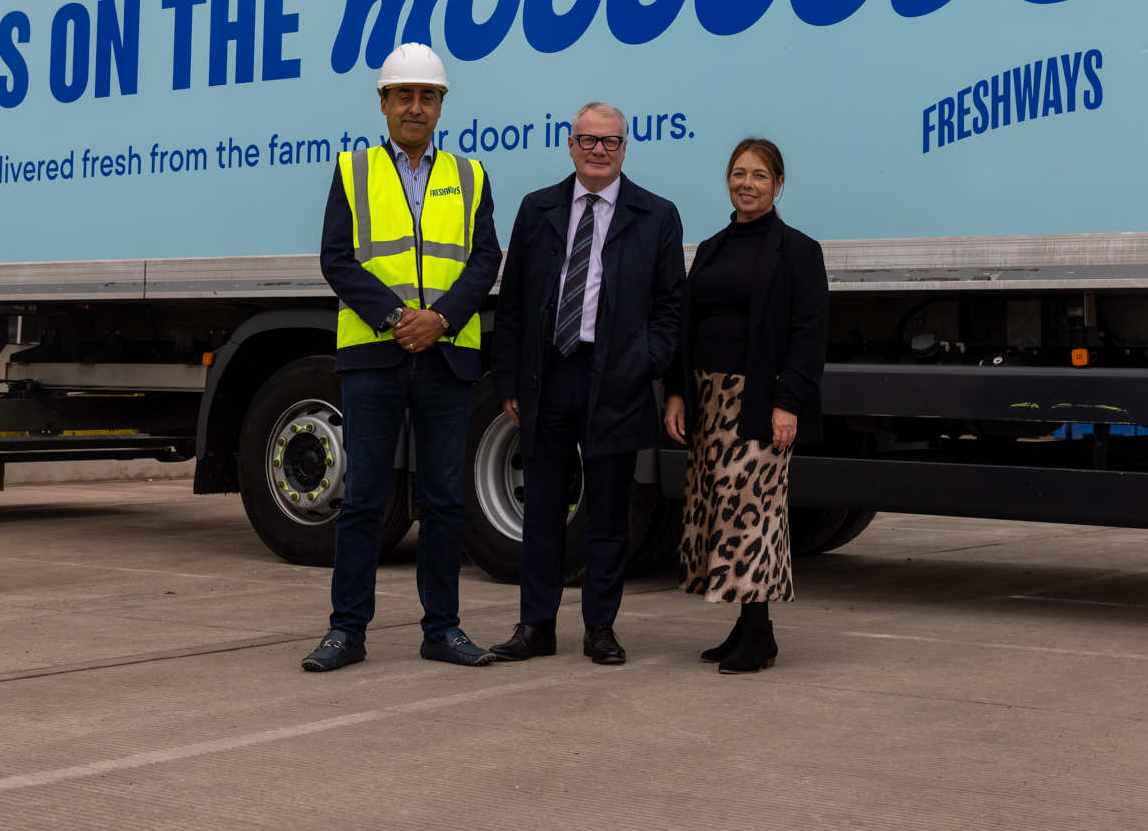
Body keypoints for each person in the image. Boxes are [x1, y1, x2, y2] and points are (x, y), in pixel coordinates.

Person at [302, 43, 502, 672]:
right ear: (383, 103)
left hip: (445, 358)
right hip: (374, 356)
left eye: (428, 96)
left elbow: (485, 260)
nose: (416, 107)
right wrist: (395, 319)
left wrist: (440, 318)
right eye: (404, 95)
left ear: (442, 105)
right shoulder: (353, 169)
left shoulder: (470, 176)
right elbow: (338, 259)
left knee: (444, 500)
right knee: (362, 498)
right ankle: (346, 632)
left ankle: (442, 629)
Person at [488, 102, 684, 665]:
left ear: (626, 148)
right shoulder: (538, 208)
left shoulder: (657, 215)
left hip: (616, 378)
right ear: (570, 145)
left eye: (611, 142)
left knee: (607, 514)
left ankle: (601, 628)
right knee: (544, 510)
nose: (599, 150)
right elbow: (515, 304)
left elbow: (672, 305)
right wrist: (510, 381)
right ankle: (536, 627)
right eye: (589, 140)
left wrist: (645, 361)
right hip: (548, 375)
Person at [662, 137, 827, 674]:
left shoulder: (799, 250)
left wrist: (788, 402)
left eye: (759, 175)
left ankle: (758, 634)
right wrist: (679, 391)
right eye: (739, 173)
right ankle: (749, 626)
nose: (747, 183)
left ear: (779, 185)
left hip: (757, 397)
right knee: (718, 511)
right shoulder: (711, 246)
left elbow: (809, 335)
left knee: (752, 515)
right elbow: (686, 326)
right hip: (707, 397)